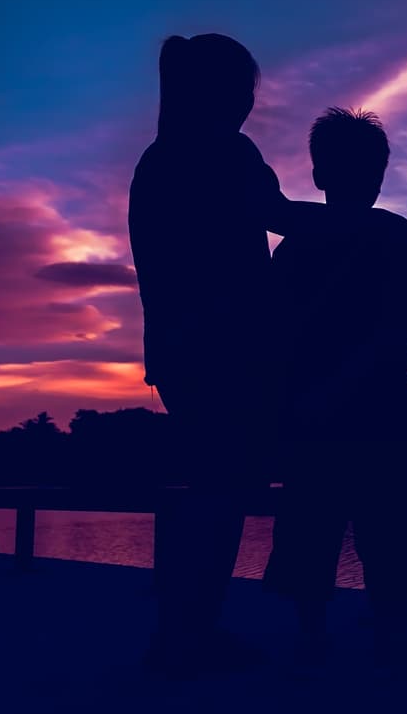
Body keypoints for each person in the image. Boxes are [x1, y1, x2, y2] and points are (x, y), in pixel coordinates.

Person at [128, 33, 321, 676]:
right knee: (221, 493)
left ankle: (181, 630)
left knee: (210, 489)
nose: (249, 103)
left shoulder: (156, 160)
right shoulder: (228, 154)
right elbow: (283, 218)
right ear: (220, 91)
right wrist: (360, 223)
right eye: (244, 91)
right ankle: (188, 635)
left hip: (180, 355)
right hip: (229, 355)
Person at [262, 108, 407, 664]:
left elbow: (274, 329)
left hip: (316, 410)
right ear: (379, 176)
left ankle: (314, 640)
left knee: (316, 529)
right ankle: (389, 639)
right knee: (386, 532)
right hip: (378, 407)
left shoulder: (294, 245)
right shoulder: (397, 237)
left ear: (318, 174)